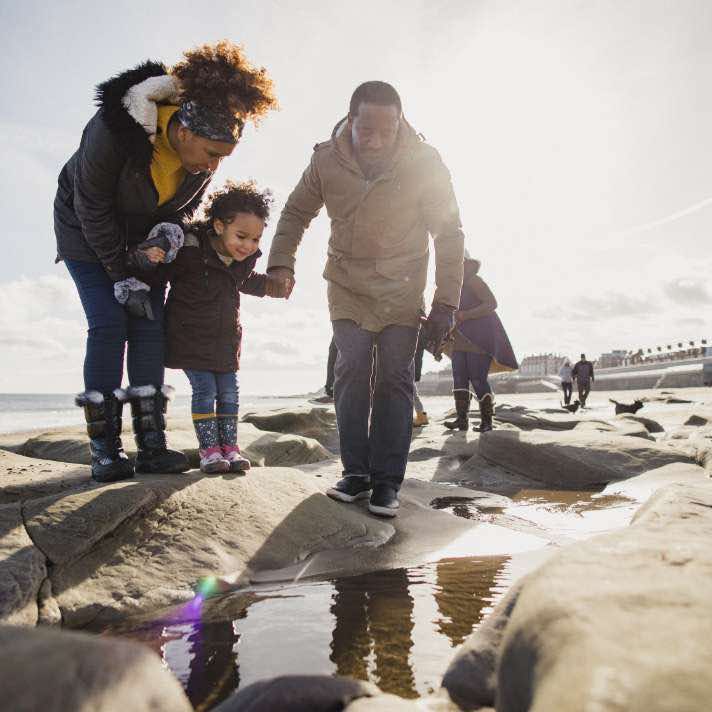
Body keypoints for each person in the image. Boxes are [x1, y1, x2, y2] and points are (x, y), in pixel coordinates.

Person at [55, 42, 277, 482]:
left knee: (149, 328)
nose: (214, 165)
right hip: (85, 231)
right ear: (184, 133)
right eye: (212, 153)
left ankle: (152, 447)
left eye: (222, 157)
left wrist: (165, 235)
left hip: (147, 238)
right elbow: (91, 206)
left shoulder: (203, 160)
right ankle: (105, 450)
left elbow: (179, 210)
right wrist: (122, 272)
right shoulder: (114, 129)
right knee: (109, 324)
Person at [267, 81, 464, 516]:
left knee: (395, 377)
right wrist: (281, 261)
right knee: (352, 369)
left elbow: (448, 233)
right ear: (350, 120)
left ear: (400, 124)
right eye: (366, 129)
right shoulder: (326, 159)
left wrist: (445, 305)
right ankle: (356, 473)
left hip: (402, 285)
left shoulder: (425, 162)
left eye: (387, 130)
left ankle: (387, 482)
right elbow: (297, 211)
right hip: (348, 284)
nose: (375, 139)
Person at [147, 181, 286, 474]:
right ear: (220, 226)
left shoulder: (240, 262)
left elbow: (247, 282)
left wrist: (273, 287)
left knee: (229, 393)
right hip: (190, 337)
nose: (248, 246)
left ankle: (230, 449)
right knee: (205, 390)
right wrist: (151, 258)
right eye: (242, 236)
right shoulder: (190, 250)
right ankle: (210, 452)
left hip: (224, 340)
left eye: (256, 240)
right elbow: (162, 272)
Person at [443, 254, 518, 432]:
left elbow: (492, 303)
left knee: (478, 379)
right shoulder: (453, 286)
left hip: (479, 340)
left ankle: (487, 422)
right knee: (459, 380)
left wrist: (466, 314)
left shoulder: (474, 281)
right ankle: (462, 421)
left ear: (465, 264)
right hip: (458, 342)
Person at [413, 335, 429, 427]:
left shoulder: (418, 337)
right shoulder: (421, 337)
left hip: (410, 366)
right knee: (413, 393)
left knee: (412, 393)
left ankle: (421, 416)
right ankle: (421, 416)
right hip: (413, 367)